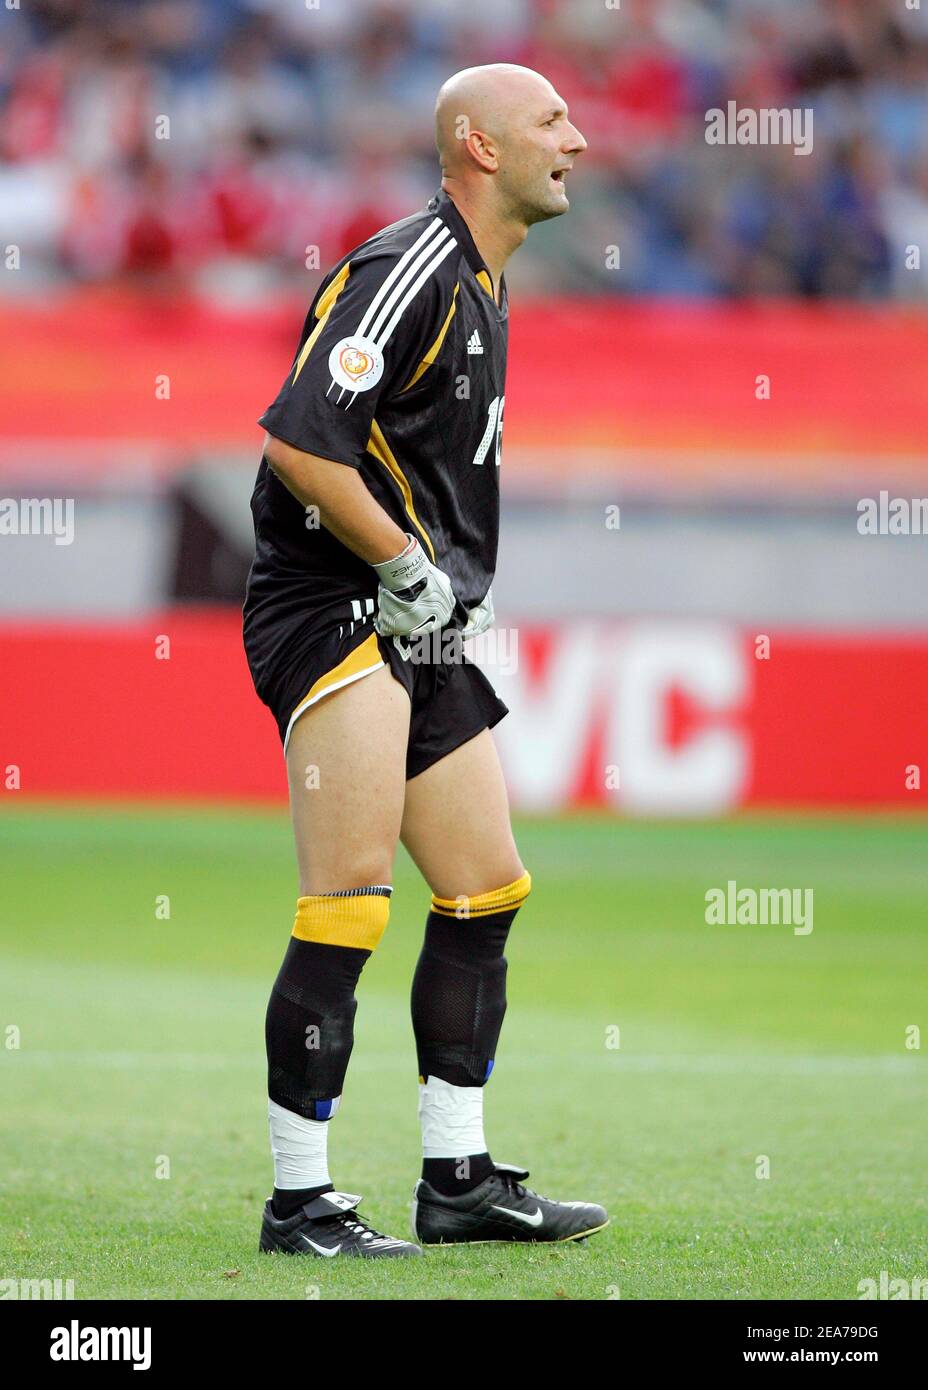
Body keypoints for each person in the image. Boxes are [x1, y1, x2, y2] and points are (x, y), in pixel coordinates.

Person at [244, 63, 606, 1257]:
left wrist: (431, 588)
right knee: (348, 898)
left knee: (484, 887)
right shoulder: (410, 265)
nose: (579, 139)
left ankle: (456, 1179)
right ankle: (300, 1200)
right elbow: (302, 443)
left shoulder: (488, 284)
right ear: (479, 145)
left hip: (422, 615)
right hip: (336, 601)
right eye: (552, 120)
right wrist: (403, 566)